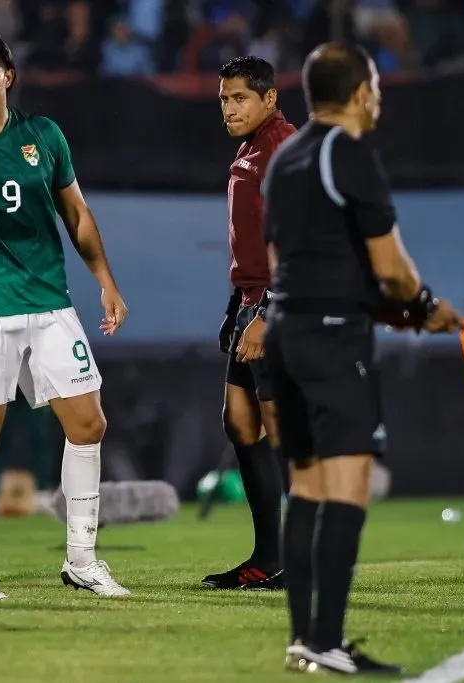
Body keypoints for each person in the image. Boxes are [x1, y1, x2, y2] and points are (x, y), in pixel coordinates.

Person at [261, 42, 459, 675]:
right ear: (358, 93)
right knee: (349, 486)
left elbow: (280, 262)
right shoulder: (350, 154)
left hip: (286, 331)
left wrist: (383, 304)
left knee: (308, 487)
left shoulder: (284, 159)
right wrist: (425, 305)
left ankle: (305, 640)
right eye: (374, 84)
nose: (379, 96)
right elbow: (392, 269)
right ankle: (327, 641)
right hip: (331, 337)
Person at [0, 28, 130, 600]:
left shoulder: (44, 135)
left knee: (89, 423)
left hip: (49, 300)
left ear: (8, 75)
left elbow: (77, 214)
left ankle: (82, 560)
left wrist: (105, 282)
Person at [202, 56, 296, 591]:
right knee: (239, 422)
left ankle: (301, 555)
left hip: (275, 304)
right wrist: (241, 305)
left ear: (269, 98)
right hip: (251, 299)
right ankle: (269, 556)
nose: (230, 108)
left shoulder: (282, 148)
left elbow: (295, 237)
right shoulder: (252, 148)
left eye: (240, 98)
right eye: (224, 99)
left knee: (282, 429)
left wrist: (269, 311)